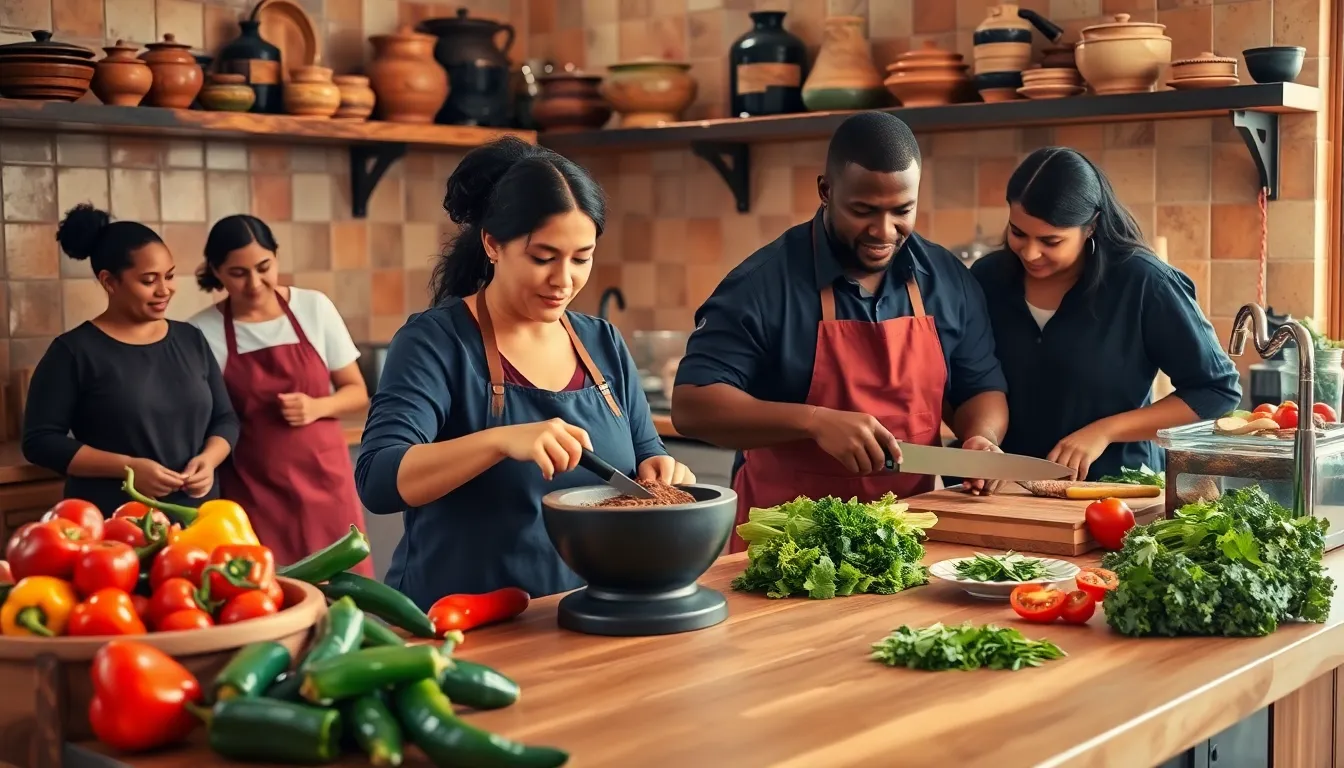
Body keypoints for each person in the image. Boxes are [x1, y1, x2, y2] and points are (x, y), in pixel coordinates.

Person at [355, 138, 695, 609]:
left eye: (582, 258)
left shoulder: (603, 345)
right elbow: (378, 479)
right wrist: (499, 441)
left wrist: (660, 471)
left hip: (584, 615)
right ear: (492, 244)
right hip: (457, 627)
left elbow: (645, 454)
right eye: (543, 257)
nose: (564, 280)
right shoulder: (436, 341)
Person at [671, 111, 1010, 552]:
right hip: (787, 545)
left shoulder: (946, 278)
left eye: (901, 211)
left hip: (910, 540)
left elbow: (980, 388)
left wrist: (980, 438)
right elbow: (692, 404)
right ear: (826, 191)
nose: (884, 231)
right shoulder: (761, 285)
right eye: (863, 211)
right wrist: (813, 421)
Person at [970, 147, 1240, 481]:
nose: (1030, 252)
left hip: (1117, 491)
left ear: (1091, 227)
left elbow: (1216, 392)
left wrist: (1105, 431)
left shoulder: (1144, 283)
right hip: (1001, 491)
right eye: (1018, 232)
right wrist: (981, 439)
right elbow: (965, 379)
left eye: (1051, 241)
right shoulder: (986, 279)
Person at [23, 204, 238, 515]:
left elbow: (225, 418)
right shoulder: (73, 352)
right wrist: (128, 469)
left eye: (170, 276)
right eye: (149, 280)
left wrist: (210, 459)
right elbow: (40, 441)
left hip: (198, 519)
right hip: (115, 524)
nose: (165, 290)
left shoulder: (191, 339)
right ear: (109, 281)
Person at [189, 215, 373, 575]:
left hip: (326, 483)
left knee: (349, 591)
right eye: (238, 273)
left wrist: (317, 406)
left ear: (276, 256)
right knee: (268, 592)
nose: (255, 283)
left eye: (264, 267)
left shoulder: (313, 308)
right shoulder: (202, 331)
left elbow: (357, 392)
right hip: (253, 489)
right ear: (216, 272)